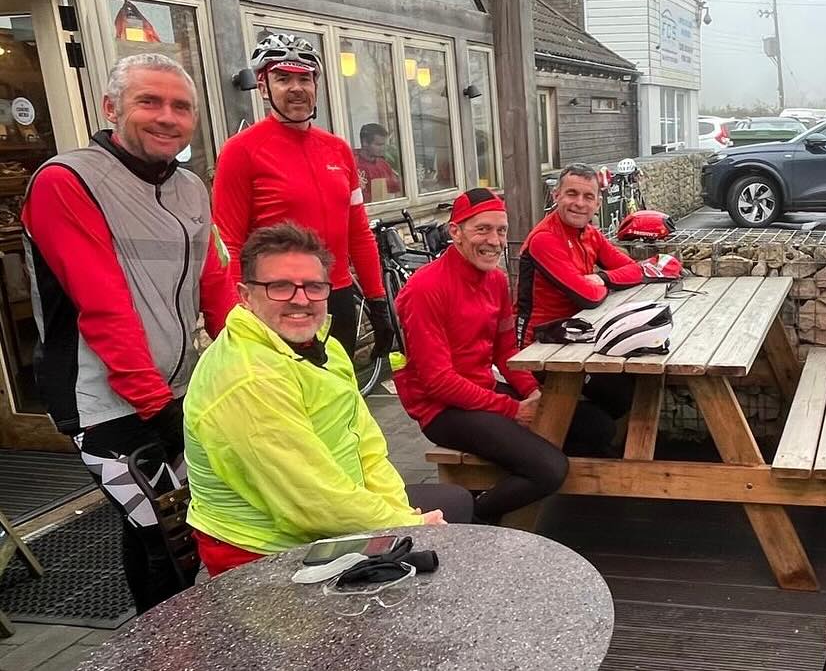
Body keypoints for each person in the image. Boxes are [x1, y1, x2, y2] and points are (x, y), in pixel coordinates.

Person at [21, 53, 236, 612]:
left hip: (176, 386)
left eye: (180, 106)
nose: (167, 117)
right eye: (149, 102)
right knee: (171, 538)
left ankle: (166, 643)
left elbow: (215, 283)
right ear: (111, 108)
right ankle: (171, 648)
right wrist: (153, 404)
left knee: (167, 529)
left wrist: (250, 358)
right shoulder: (67, 181)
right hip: (104, 401)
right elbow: (103, 305)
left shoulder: (191, 186)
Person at [184, 223, 474, 576]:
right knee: (448, 534)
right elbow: (310, 501)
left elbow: (366, 446)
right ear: (246, 295)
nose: (300, 299)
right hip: (265, 554)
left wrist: (400, 511)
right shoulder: (246, 378)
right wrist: (403, 526)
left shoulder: (324, 346)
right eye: (279, 286)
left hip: (325, 520)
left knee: (452, 508)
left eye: (314, 287)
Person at [395, 188, 621, 522]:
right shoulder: (423, 289)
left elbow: (506, 351)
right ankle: (470, 520)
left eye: (501, 230)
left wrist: (534, 392)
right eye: (482, 229)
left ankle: (504, 476)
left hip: (482, 391)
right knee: (549, 469)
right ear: (455, 231)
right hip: (441, 410)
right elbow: (438, 382)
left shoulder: (497, 280)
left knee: (597, 427)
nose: (494, 240)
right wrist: (514, 409)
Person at [211, 34, 393, 358]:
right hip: (280, 300)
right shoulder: (241, 151)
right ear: (264, 87)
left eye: (304, 79)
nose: (296, 88)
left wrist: (378, 299)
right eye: (283, 78)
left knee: (340, 398)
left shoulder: (338, 149)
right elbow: (229, 243)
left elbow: (358, 232)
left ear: (316, 86)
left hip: (336, 295)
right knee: (289, 404)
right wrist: (240, 313)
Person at [515, 164, 644, 428]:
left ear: (598, 203)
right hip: (540, 348)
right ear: (556, 196)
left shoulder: (590, 234)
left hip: (576, 337)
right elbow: (588, 297)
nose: (579, 203)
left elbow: (634, 270)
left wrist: (603, 278)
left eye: (588, 197)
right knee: (613, 401)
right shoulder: (544, 238)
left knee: (629, 386)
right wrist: (600, 285)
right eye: (571, 194)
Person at [355, 123, 402, 201]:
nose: (383, 148)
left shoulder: (383, 164)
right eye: (379, 145)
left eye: (384, 144)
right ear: (365, 143)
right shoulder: (353, 163)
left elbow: (397, 190)